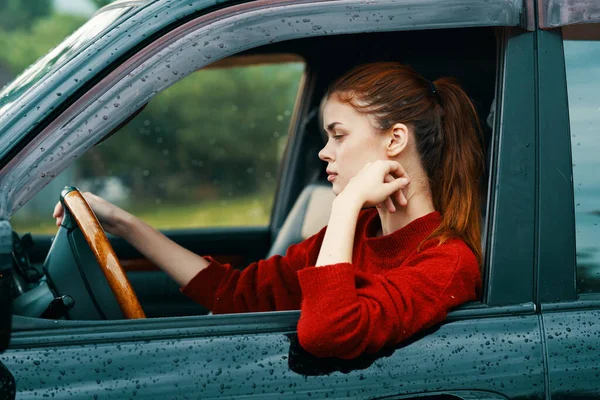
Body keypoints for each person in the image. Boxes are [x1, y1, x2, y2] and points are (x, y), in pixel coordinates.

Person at [53, 62, 483, 360]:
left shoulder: (446, 262)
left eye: (338, 135)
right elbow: (237, 295)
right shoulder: (356, 233)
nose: (324, 152)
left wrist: (349, 203)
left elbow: (329, 331)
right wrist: (120, 222)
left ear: (394, 142)